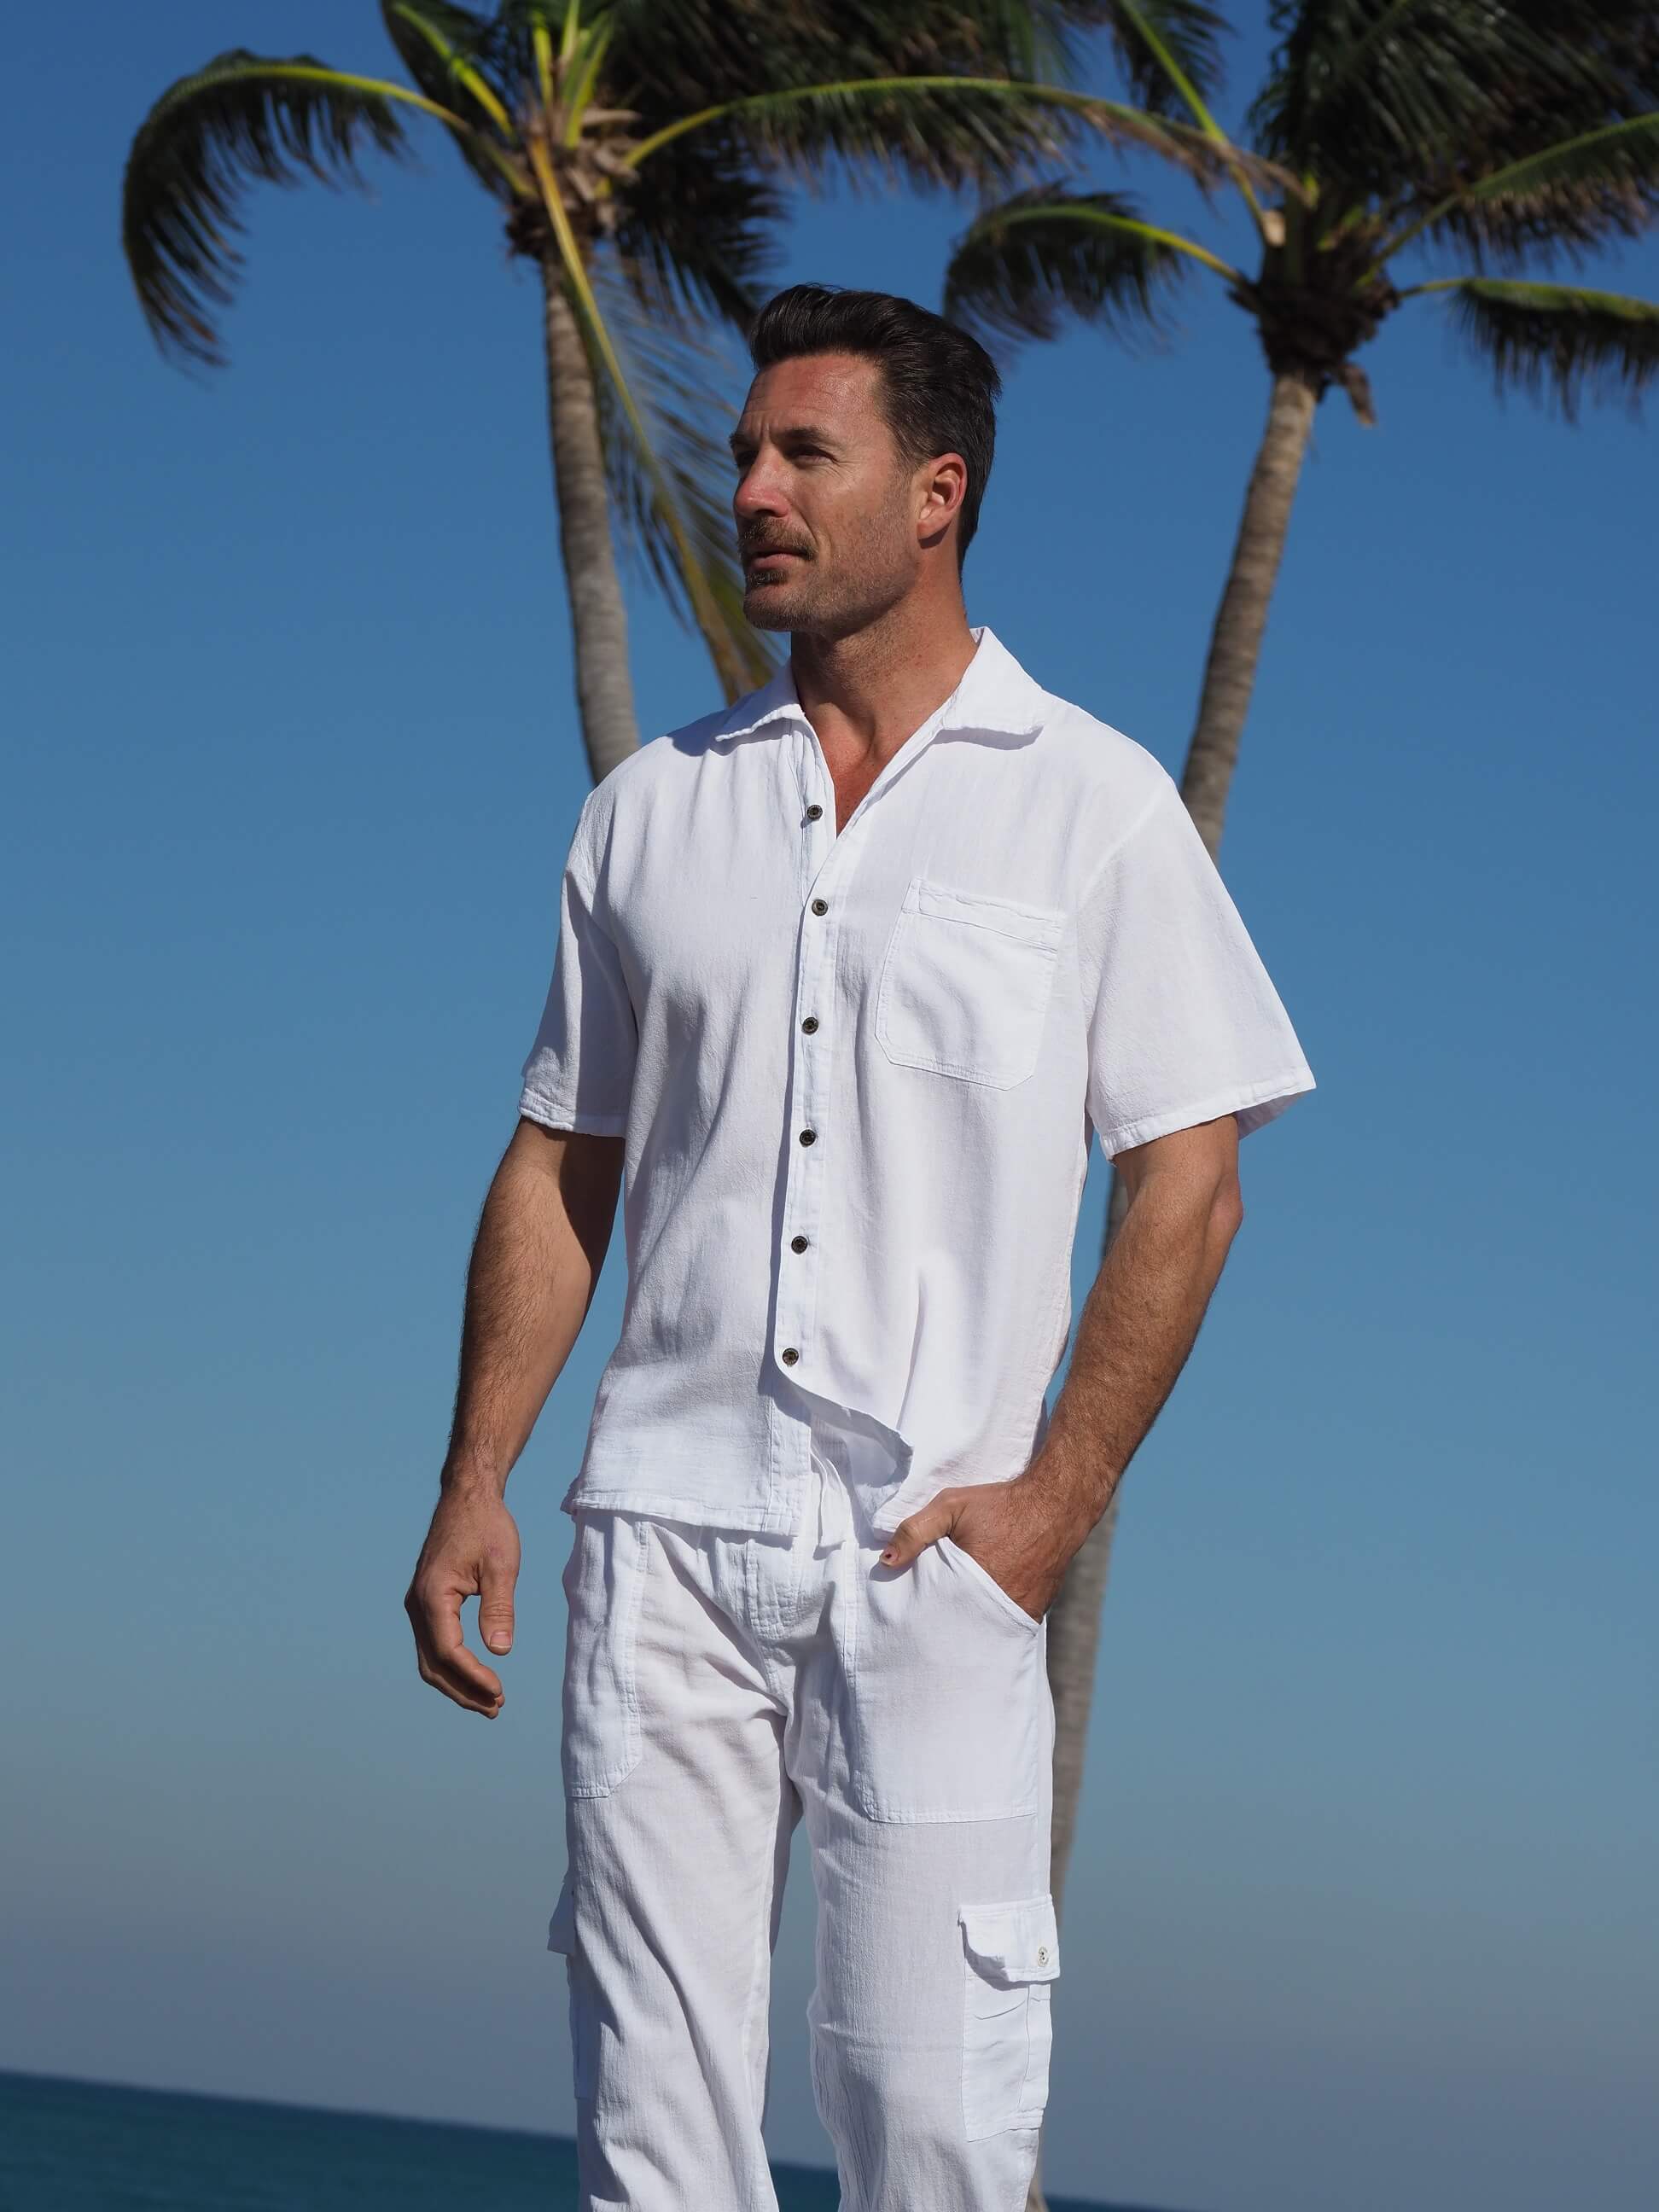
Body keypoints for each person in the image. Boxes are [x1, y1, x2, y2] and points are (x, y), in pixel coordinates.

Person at [404, 282, 1316, 2211]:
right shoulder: (650, 812)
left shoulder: (1094, 804)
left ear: (937, 495)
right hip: (657, 1536)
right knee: (652, 2133)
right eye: (745, 451)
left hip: (935, 1552)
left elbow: (1192, 1177)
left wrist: (1054, 1505)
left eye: (804, 453)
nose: (750, 489)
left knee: (939, 2129)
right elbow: (562, 1162)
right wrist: (476, 1474)